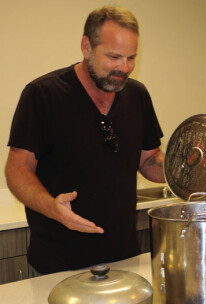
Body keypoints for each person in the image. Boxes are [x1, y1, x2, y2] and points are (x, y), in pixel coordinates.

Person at [5, 5, 165, 275]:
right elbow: (17, 170)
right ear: (86, 46)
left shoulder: (137, 95)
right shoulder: (43, 95)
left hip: (124, 259)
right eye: (114, 57)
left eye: (131, 58)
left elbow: (149, 161)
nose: (123, 68)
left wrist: (185, 168)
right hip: (57, 265)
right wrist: (52, 208)